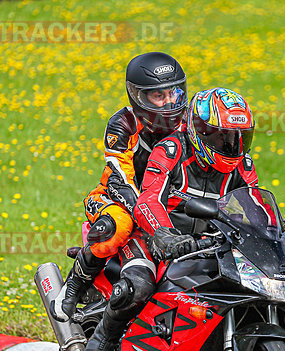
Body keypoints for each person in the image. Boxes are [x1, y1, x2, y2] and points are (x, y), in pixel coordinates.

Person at [80, 87, 258, 351]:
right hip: (156, 237)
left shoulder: (242, 165)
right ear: (200, 132)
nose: (231, 146)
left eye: (239, 137)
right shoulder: (172, 150)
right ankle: (102, 341)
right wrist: (164, 233)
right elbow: (148, 199)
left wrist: (277, 240)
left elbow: (254, 208)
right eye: (221, 137)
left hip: (206, 244)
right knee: (138, 284)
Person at [51, 51, 188, 322]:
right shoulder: (123, 124)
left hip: (162, 200)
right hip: (116, 197)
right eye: (159, 96)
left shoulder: (187, 123)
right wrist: (150, 216)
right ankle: (73, 286)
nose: (169, 102)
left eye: (173, 93)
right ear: (138, 96)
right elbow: (120, 177)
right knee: (118, 226)